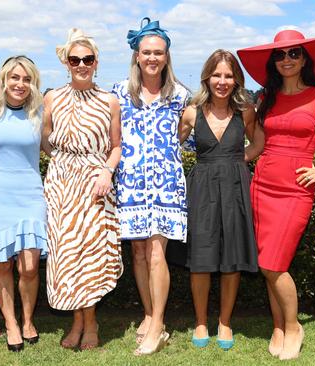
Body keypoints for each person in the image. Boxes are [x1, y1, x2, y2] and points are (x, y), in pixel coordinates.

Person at [237, 30, 315, 360]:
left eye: (294, 53)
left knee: (275, 264)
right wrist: (226, 155)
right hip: (261, 186)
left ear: (305, 58)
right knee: (266, 265)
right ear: (273, 62)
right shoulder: (265, 99)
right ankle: (277, 326)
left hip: (295, 192)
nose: (286, 59)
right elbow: (257, 143)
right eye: (280, 55)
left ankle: (293, 327)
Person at [111, 17, 190, 356]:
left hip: (166, 185)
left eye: (159, 52)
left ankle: (158, 324)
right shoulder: (118, 93)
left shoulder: (181, 96)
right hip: (129, 184)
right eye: (147, 52)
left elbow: (189, 138)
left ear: (167, 56)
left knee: (158, 252)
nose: (153, 58)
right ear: (137, 56)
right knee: (139, 252)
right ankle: (148, 313)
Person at [42, 28, 122, 351]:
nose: (81, 64)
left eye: (87, 59)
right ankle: (78, 321)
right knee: (67, 254)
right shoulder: (52, 98)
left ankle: (90, 324)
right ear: (66, 62)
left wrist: (105, 170)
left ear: (96, 62)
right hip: (62, 184)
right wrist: (64, 164)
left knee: (90, 254)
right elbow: (46, 140)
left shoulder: (109, 101)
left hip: (95, 184)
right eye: (75, 59)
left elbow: (116, 146)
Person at [177, 49, 260, 350]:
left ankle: (224, 322)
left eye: (228, 75)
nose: (222, 81)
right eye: (217, 75)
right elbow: (173, 143)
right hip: (202, 187)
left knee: (231, 259)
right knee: (200, 259)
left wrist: (242, 159)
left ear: (236, 80)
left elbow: (259, 140)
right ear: (207, 78)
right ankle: (201, 321)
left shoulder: (246, 111)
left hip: (235, 187)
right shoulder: (191, 112)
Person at [0, 55, 47, 352]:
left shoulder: (39, 112)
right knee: (0, 264)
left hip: (29, 195)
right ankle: (11, 323)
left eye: (27, 79)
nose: (20, 83)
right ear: (4, 80)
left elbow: (53, 146)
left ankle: (28, 320)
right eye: (15, 77)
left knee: (28, 266)